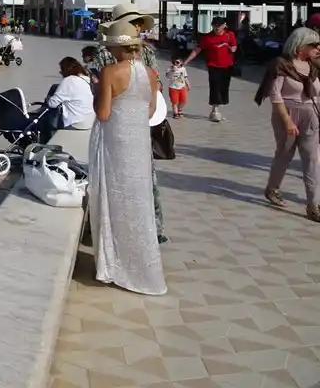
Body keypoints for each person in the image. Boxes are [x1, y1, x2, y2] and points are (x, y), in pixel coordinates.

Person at [88, 20, 167, 296]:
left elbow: (103, 113)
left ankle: (115, 263)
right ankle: (142, 266)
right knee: (138, 202)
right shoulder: (151, 73)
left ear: (115, 46)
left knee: (115, 200)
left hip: (114, 143)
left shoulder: (110, 71)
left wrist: (97, 89)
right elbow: (150, 110)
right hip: (138, 144)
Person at [256, 27, 320, 220]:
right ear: (301, 46)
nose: (318, 48)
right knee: (284, 154)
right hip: (287, 114)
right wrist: (287, 121)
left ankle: (313, 204)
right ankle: (272, 188)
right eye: (314, 45)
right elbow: (275, 95)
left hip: (311, 114)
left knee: (312, 159)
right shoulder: (281, 64)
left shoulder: (315, 66)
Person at [180, 17, 237, 122]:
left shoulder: (230, 35)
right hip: (213, 66)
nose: (217, 28)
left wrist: (232, 49)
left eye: (219, 25)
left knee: (223, 88)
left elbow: (234, 46)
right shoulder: (207, 38)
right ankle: (215, 111)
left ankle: (215, 111)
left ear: (224, 25)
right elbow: (197, 50)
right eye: (215, 25)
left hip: (227, 66)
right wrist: (186, 61)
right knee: (215, 87)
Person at [45, 57, 95, 130]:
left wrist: (48, 99)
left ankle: (47, 136)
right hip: (90, 122)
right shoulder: (87, 78)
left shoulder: (68, 81)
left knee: (47, 117)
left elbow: (52, 104)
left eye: (61, 70)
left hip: (75, 123)